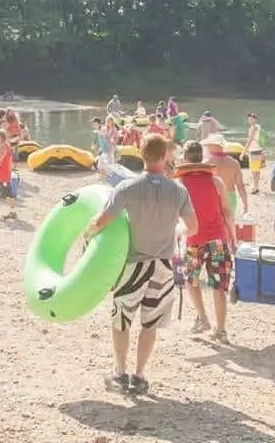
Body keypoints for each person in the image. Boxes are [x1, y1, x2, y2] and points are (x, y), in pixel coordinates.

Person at [85, 135, 198, 395]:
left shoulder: (127, 188)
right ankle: (139, 376)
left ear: (141, 154)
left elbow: (102, 219)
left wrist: (88, 232)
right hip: (162, 266)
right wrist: (175, 231)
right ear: (165, 157)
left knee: (122, 320)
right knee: (150, 323)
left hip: (134, 265)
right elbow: (192, 227)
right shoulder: (178, 191)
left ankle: (120, 373)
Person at [178, 142, 237, 342]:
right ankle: (220, 330)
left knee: (190, 280)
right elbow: (227, 212)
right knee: (218, 286)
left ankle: (202, 318)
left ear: (185, 159)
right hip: (218, 239)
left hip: (194, 240)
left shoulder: (181, 184)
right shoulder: (216, 181)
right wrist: (233, 238)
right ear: (202, 159)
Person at [202, 134, 249, 217]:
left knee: (213, 225)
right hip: (229, 197)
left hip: (212, 197)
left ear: (212, 146)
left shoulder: (205, 163)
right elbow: (241, 186)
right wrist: (245, 205)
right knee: (229, 225)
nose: (207, 147)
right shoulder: (234, 163)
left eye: (208, 145)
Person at [245, 113, 264, 194]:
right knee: (257, 170)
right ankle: (256, 186)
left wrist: (243, 152)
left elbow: (250, 141)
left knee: (254, 170)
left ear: (256, 119)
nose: (250, 120)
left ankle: (255, 187)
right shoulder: (259, 127)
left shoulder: (253, 128)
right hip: (259, 150)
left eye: (251, 119)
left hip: (254, 151)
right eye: (249, 119)